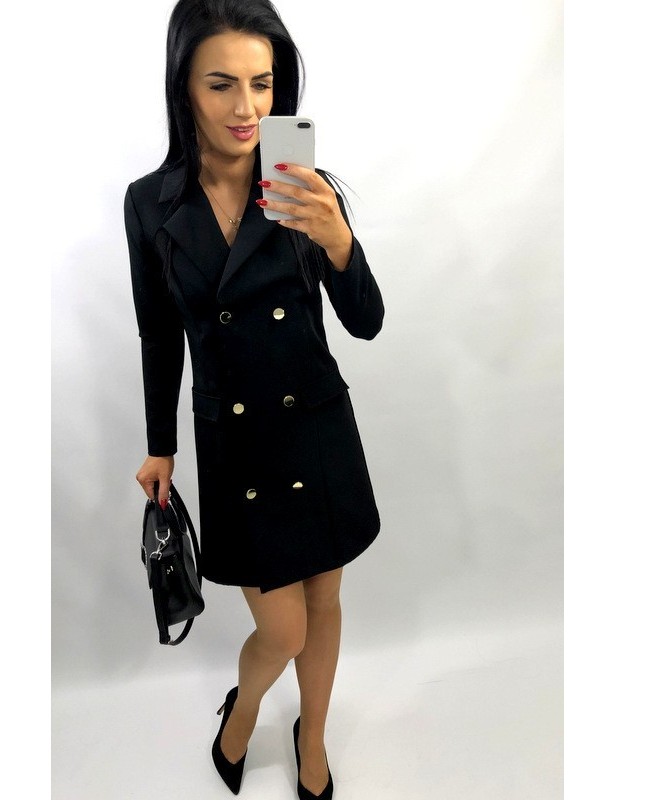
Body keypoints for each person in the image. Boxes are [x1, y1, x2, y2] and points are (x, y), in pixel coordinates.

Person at [124, 1, 384, 797]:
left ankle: (313, 736)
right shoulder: (151, 203)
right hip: (237, 444)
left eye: (262, 84)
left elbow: (366, 322)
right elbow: (158, 334)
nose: (246, 108)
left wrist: (338, 241)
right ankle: (244, 710)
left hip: (317, 425)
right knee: (282, 628)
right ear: (183, 87)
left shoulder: (304, 188)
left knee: (324, 601)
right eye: (221, 84)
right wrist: (160, 445)